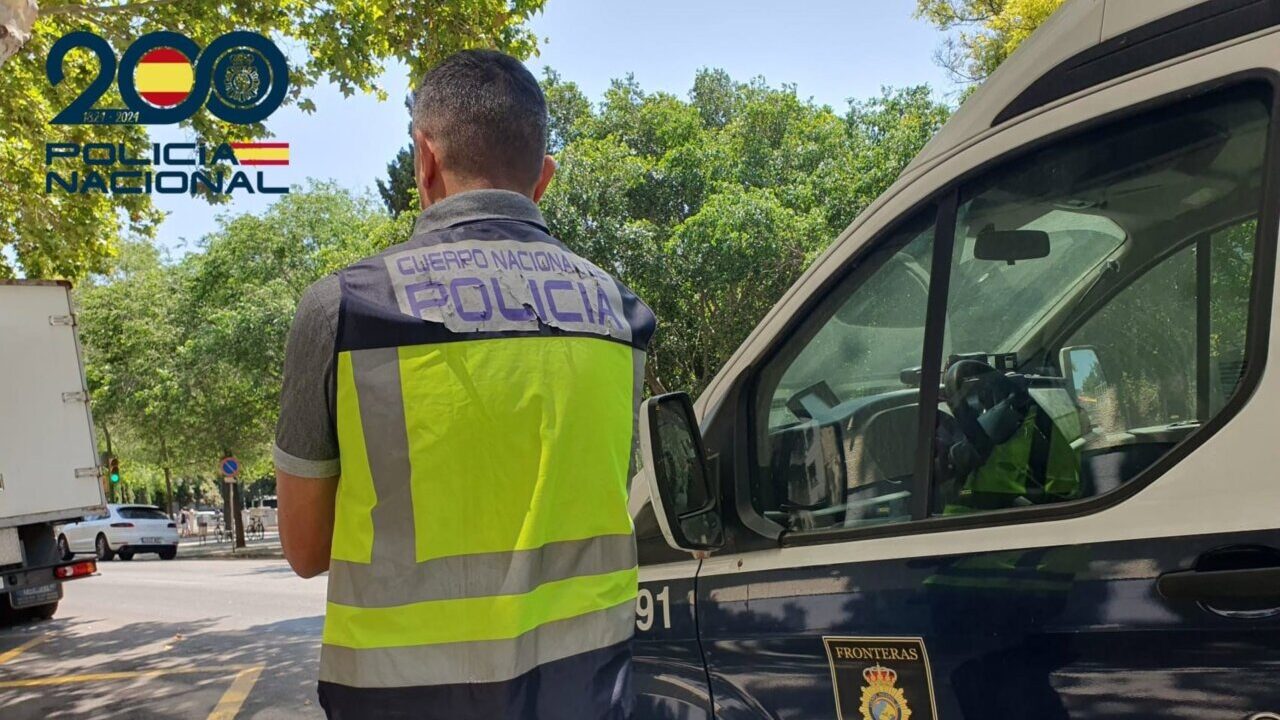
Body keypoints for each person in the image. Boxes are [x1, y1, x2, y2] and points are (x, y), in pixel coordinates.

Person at [274, 49, 655, 720]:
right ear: (543, 177)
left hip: (401, 701)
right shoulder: (620, 313)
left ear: (424, 159)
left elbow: (306, 551)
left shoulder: (345, 308)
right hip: (586, 691)